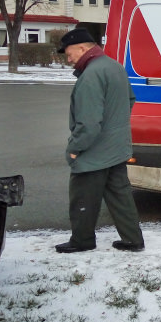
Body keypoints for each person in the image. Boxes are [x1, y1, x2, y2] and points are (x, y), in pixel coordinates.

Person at [54, 28, 145, 253]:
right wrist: (115, 126)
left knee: (82, 198)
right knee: (120, 197)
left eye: (69, 53)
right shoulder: (115, 67)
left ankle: (82, 240)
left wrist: (74, 149)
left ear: (83, 48)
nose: (69, 59)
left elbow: (88, 123)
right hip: (116, 148)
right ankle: (133, 239)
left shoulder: (91, 75)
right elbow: (130, 100)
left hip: (94, 153)